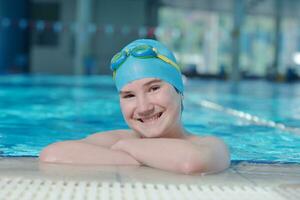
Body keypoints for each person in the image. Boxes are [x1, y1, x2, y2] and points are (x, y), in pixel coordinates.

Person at [40, 39, 230, 174]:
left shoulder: (210, 145)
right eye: (129, 95)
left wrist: (124, 147)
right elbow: (52, 154)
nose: (143, 107)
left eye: (154, 88)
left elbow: (191, 163)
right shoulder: (115, 138)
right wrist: (148, 157)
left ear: (179, 89)